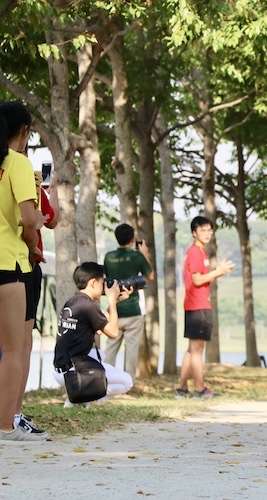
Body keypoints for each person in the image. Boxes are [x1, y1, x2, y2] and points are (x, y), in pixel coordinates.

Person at [0, 102, 57, 440]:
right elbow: (26, 217)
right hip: (10, 264)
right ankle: (6, 424)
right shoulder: (18, 163)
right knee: (14, 348)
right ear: (23, 131)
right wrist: (34, 230)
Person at [52, 263, 134, 406]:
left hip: (61, 367)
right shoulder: (89, 305)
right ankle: (80, 397)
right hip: (74, 371)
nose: (104, 287)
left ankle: (81, 396)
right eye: (102, 282)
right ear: (93, 282)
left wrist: (115, 301)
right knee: (127, 382)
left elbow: (99, 328)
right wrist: (112, 301)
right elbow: (113, 333)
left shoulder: (73, 301)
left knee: (100, 356)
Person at [176, 216, 235, 400]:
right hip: (197, 305)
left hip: (196, 304)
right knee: (197, 350)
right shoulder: (195, 252)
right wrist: (219, 272)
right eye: (203, 230)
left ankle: (182, 388)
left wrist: (215, 272)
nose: (207, 233)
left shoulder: (201, 251)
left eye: (210, 230)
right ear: (194, 233)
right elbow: (197, 279)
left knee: (191, 349)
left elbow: (201, 278)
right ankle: (200, 390)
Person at [103, 223, 155, 383]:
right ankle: (128, 382)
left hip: (114, 309)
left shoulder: (108, 256)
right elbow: (150, 276)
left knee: (111, 347)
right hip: (133, 310)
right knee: (132, 349)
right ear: (133, 240)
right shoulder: (137, 256)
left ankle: (105, 380)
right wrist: (144, 253)